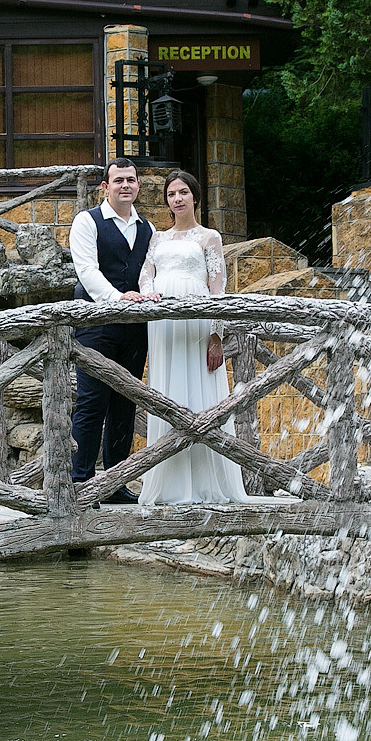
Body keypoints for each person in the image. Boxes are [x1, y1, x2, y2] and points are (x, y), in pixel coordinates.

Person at [136, 169, 248, 505]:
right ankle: (168, 480)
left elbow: (218, 288)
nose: (178, 199)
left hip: (198, 323)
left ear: (195, 197)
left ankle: (205, 480)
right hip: (163, 324)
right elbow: (146, 276)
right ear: (167, 201)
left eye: (183, 192)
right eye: (171, 194)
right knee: (167, 389)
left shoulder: (209, 237)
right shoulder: (157, 239)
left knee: (200, 392)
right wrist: (149, 295)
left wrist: (217, 335)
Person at [68, 158, 152, 503]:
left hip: (134, 329)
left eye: (131, 180)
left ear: (137, 186)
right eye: (118, 180)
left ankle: (115, 484)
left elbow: (149, 272)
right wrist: (118, 298)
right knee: (92, 401)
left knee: (125, 402)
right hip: (96, 324)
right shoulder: (87, 222)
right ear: (106, 187)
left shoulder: (147, 228)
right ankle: (81, 483)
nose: (125, 186)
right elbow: (87, 271)